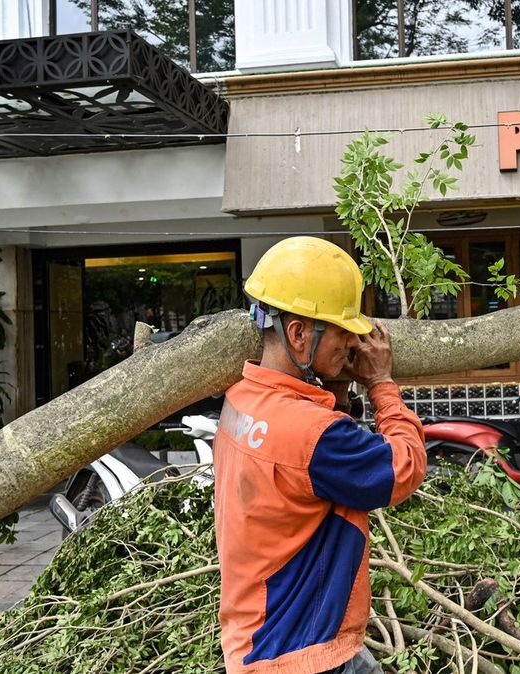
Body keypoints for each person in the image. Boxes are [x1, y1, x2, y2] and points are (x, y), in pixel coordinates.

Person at [213, 236, 427, 674]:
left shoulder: (242, 398)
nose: (353, 342)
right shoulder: (313, 434)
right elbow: (403, 468)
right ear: (297, 333)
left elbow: (309, 472)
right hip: (302, 652)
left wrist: (338, 386)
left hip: (258, 638)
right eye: (342, 330)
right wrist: (382, 383)